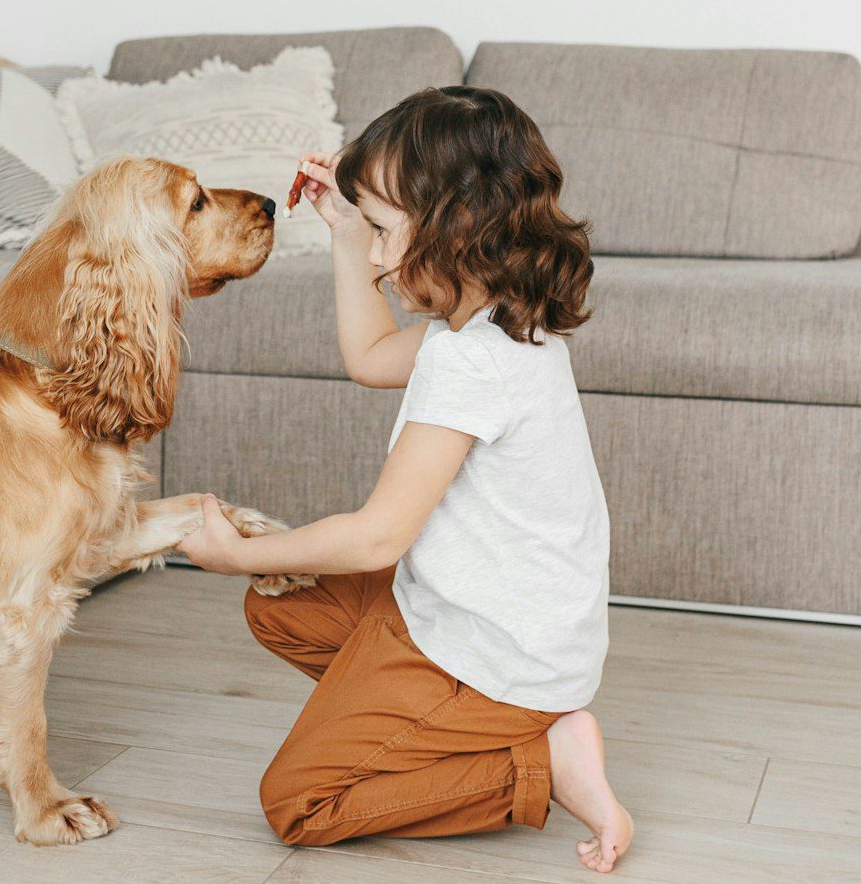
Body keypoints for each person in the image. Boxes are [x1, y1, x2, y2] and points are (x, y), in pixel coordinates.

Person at [178, 85, 633, 874]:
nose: (380, 259)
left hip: (497, 653)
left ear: (459, 227)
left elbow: (379, 534)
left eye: (387, 232)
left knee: (298, 801)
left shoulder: (470, 361)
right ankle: (426, 720)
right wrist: (349, 233)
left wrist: (233, 551)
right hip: (491, 615)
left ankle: (533, 761)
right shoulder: (494, 326)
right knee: (281, 611)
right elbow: (368, 357)